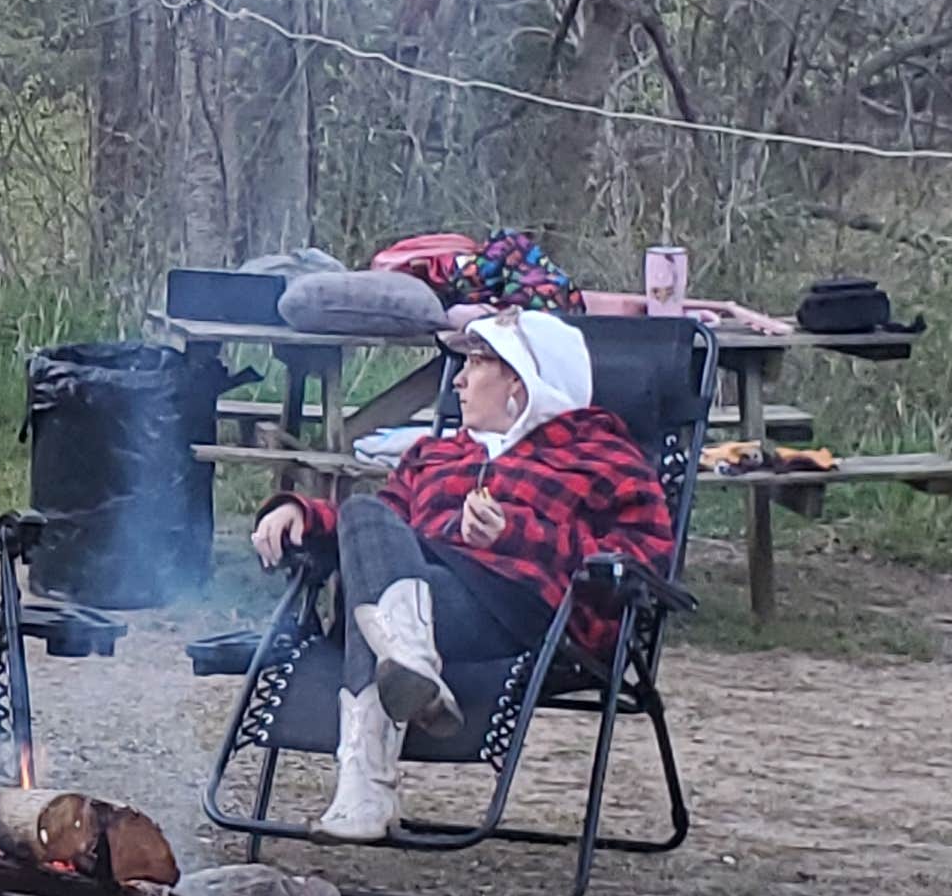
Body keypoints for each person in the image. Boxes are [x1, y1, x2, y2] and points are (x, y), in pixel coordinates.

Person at [247, 309, 670, 841]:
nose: (460, 381)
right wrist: (302, 516)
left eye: (476, 363)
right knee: (361, 517)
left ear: (520, 379)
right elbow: (381, 534)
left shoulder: (602, 457)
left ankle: (367, 785)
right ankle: (409, 664)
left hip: (518, 616)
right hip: (422, 604)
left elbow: (643, 560)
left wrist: (516, 533)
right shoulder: (434, 454)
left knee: (369, 604)